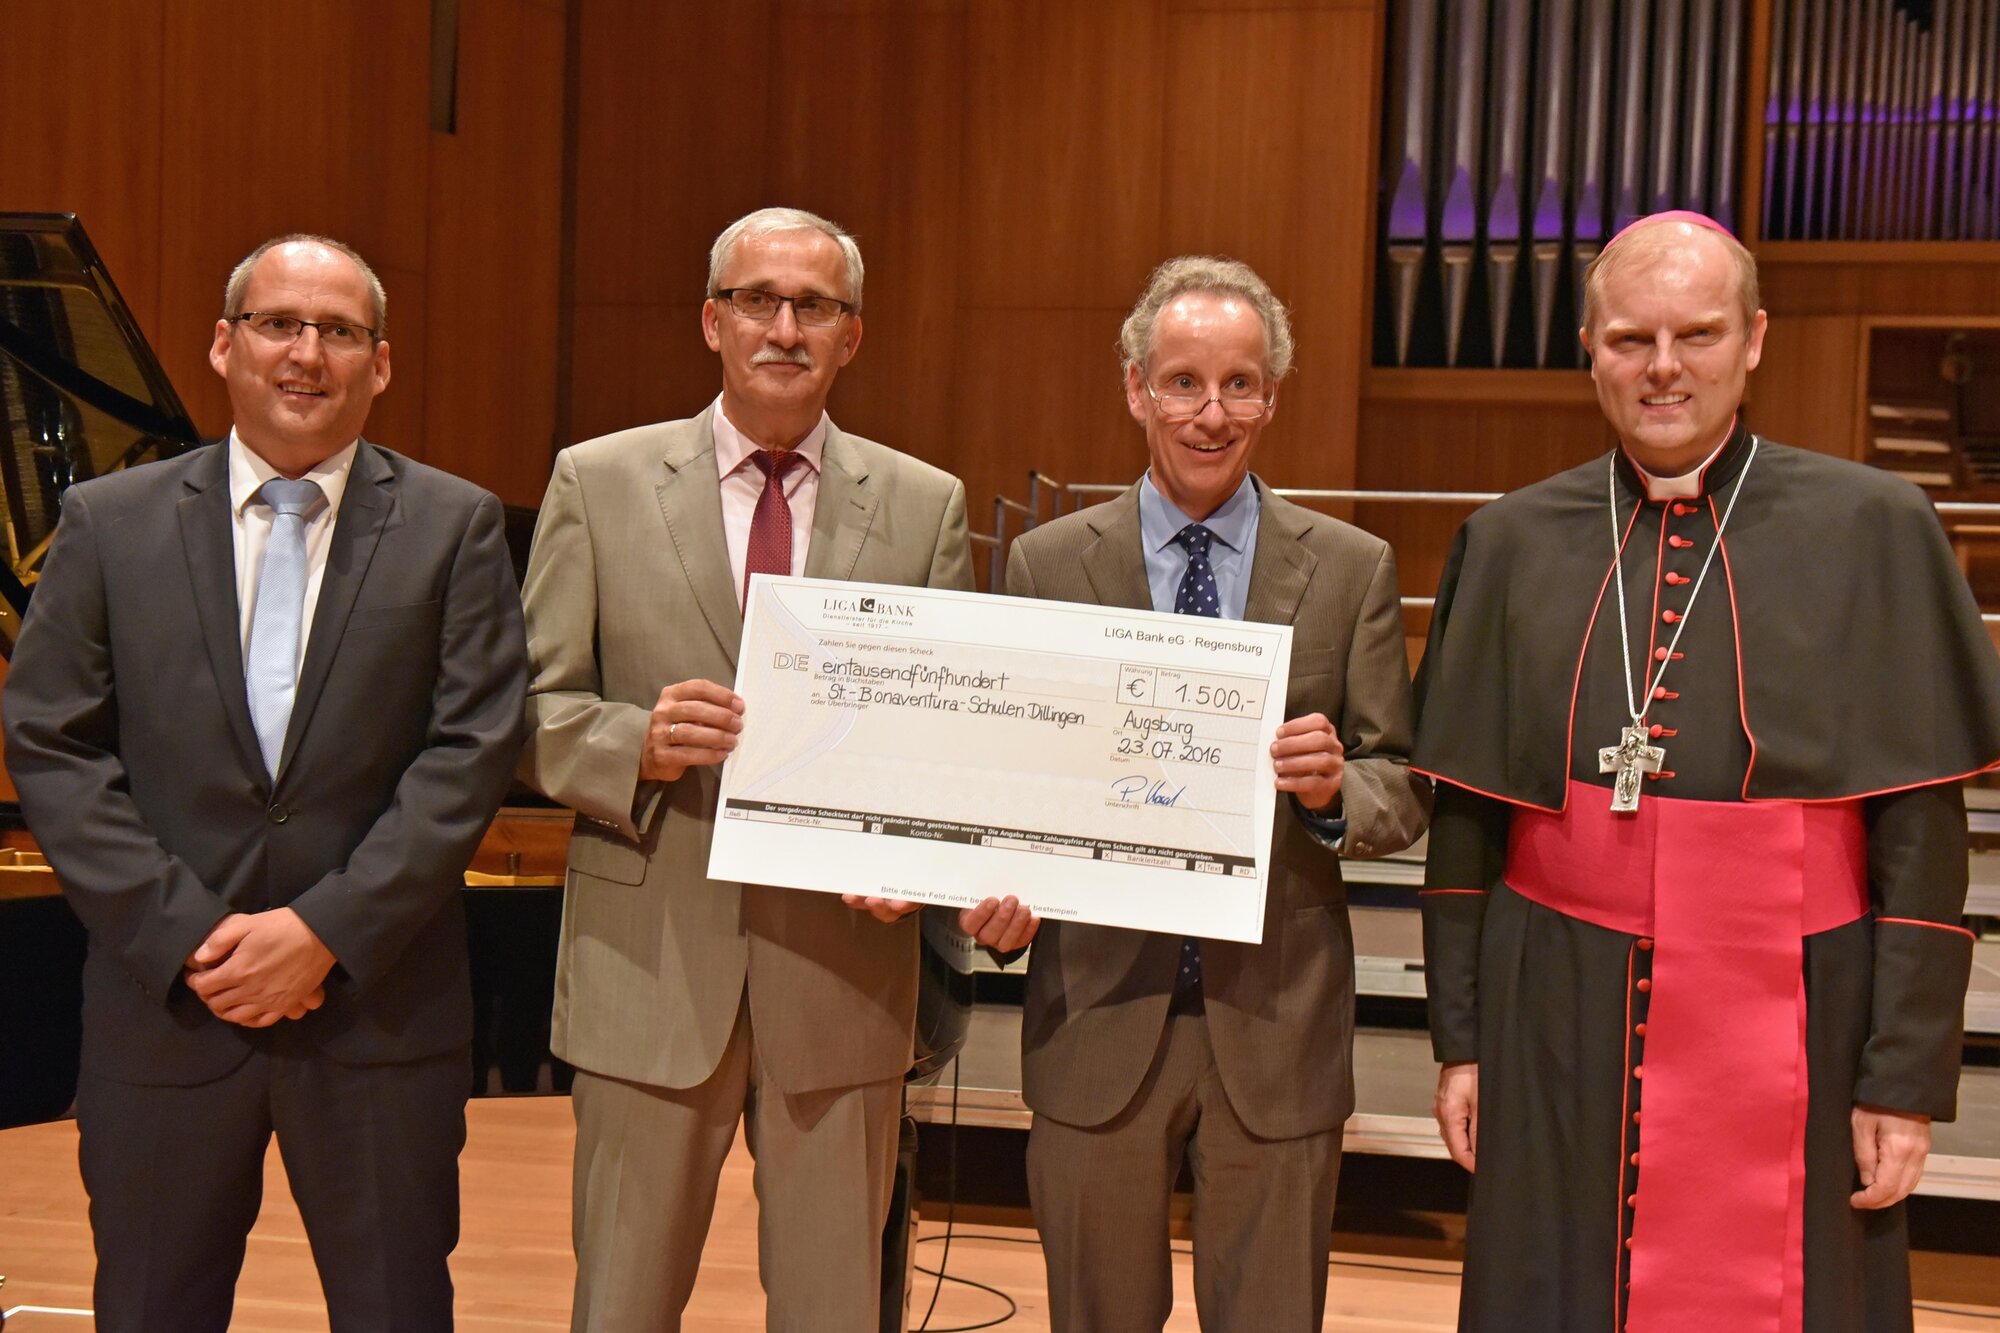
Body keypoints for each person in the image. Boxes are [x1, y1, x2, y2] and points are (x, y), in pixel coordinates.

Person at [1413, 212, 2000, 1332]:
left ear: (1754, 340)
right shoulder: (1505, 541)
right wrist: (1463, 1042)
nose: (1663, 367)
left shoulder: (1874, 526)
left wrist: (1901, 1078)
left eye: (1697, 333)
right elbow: (1466, 826)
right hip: (1554, 1007)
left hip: (1801, 1000)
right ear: (1586, 346)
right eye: (1630, 338)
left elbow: (1921, 832)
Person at [3, 235, 528, 1331]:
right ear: (223, 344)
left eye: (339, 331)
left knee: (394, 1309)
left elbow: (470, 749)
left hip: (378, 1011)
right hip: (168, 1010)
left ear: (379, 365)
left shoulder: (455, 526)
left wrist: (325, 928)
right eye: (279, 324)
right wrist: (188, 933)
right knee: (151, 1308)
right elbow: (53, 744)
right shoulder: (108, 524)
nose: (306, 354)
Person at [518, 206, 974, 1332]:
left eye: (811, 306)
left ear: (850, 335)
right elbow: (528, 713)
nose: (783, 326)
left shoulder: (924, 506)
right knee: (619, 1306)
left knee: (831, 1311)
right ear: (710, 320)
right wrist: (635, 742)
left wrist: (914, 854)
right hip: (650, 966)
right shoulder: (598, 479)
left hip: (845, 974)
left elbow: (948, 740)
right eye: (757, 301)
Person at [965, 256, 1428, 1330]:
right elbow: (1008, 778)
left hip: (1276, 1019)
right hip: (1096, 1018)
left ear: (1272, 392)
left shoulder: (1352, 568)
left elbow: (1398, 787)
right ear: (1134, 387)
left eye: (1238, 384)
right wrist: (991, 895)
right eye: (1181, 382)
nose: (1209, 413)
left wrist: (1328, 793)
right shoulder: (1043, 564)